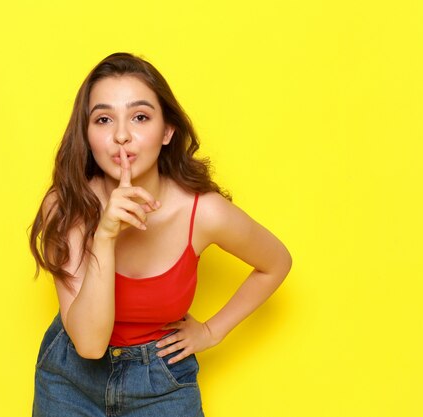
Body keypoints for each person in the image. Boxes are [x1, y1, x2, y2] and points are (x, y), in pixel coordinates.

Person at [29, 52, 292, 417]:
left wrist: (212, 332)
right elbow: (88, 345)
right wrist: (104, 236)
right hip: (71, 379)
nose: (121, 135)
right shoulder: (67, 204)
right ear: (87, 135)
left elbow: (276, 262)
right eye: (104, 119)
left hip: (162, 383)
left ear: (167, 130)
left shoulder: (203, 212)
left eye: (140, 117)